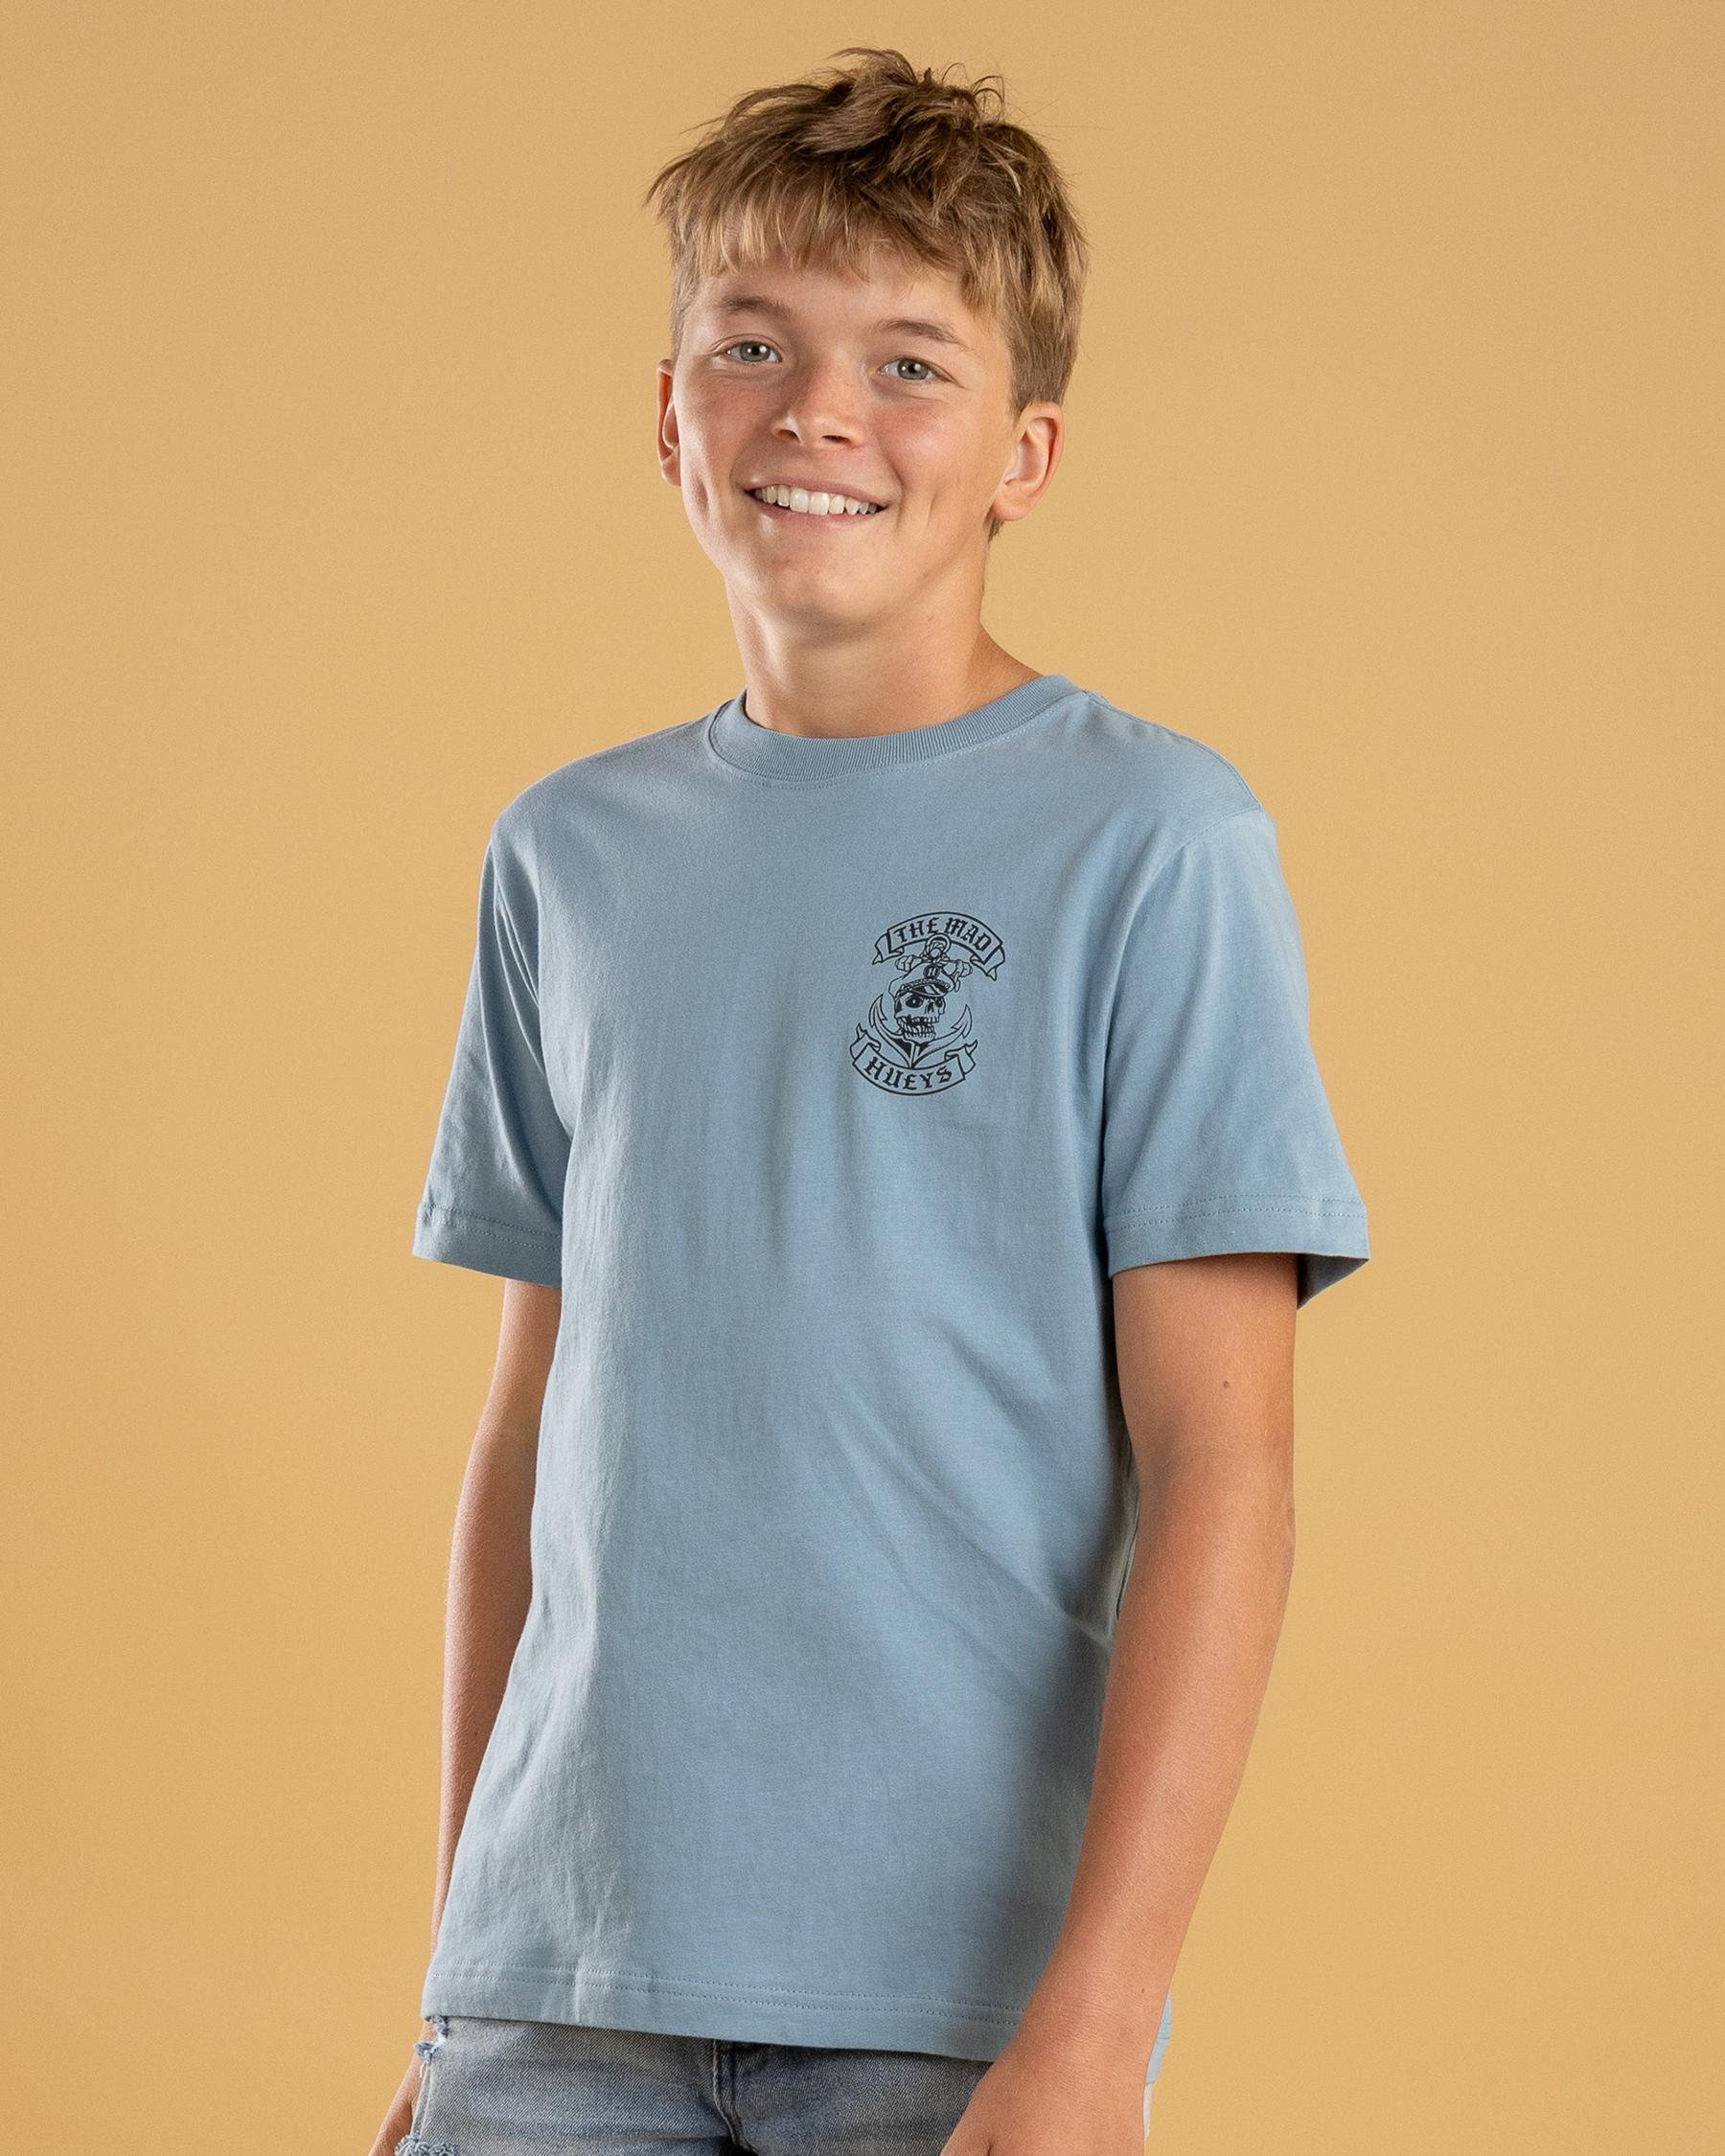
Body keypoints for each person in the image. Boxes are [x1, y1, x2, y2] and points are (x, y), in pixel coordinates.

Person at [371, 44, 1370, 2156]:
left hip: (948, 2006)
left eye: (910, 364)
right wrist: (460, 1973)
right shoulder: (567, 856)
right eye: (752, 345)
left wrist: (1100, 2019)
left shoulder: (1156, 846)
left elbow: (1226, 1465)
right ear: (670, 416)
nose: (817, 412)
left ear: (1026, 452)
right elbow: (531, 1436)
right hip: (557, 1994)